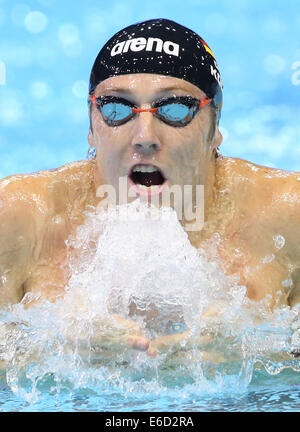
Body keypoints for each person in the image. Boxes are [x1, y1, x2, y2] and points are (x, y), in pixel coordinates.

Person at [0, 18, 299, 358]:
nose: (144, 138)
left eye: (174, 109)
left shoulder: (287, 217)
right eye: (117, 108)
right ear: (91, 126)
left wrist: (260, 353)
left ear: (214, 127)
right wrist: (56, 350)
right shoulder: (21, 217)